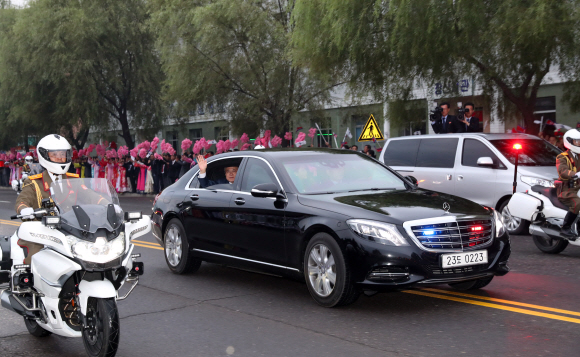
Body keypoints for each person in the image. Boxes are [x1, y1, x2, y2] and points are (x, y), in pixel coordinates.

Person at [14, 134, 80, 264]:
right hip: (44, 232)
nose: (60, 158)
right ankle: (30, 282)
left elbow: (91, 196)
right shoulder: (34, 183)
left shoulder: (74, 180)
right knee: (37, 256)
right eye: (55, 155)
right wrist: (24, 210)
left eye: (63, 154)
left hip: (72, 230)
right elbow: (21, 201)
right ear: (44, 156)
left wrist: (109, 205)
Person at [556, 129, 580, 240]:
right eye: (576, 141)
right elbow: (562, 171)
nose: (579, 143)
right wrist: (574, 174)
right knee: (577, 202)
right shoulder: (562, 157)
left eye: (579, 141)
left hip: (578, 187)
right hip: (567, 189)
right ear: (569, 142)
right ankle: (565, 228)